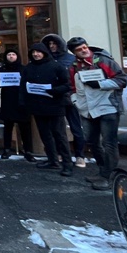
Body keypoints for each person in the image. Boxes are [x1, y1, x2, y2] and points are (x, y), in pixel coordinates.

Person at [68, 36, 127, 191]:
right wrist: (76, 101)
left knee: (109, 143)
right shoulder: (74, 66)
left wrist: (100, 84)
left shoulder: (103, 61)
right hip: (87, 110)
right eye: (79, 49)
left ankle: (109, 176)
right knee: (92, 141)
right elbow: (72, 87)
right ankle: (102, 170)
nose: (83, 51)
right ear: (74, 52)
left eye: (84, 47)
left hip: (108, 107)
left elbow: (121, 80)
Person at [21, 44, 74, 176]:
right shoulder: (29, 68)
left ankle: (67, 163)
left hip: (55, 105)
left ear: (44, 53)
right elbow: (23, 86)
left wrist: (55, 91)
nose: (35, 54)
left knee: (59, 135)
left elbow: (67, 85)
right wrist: (24, 103)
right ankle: (52, 160)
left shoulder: (57, 66)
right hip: (38, 106)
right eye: (33, 52)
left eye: (38, 52)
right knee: (45, 135)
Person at [42, 34, 89, 167]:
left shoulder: (71, 58)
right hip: (54, 98)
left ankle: (80, 155)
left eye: (54, 44)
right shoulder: (47, 60)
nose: (52, 46)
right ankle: (59, 153)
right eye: (49, 44)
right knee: (57, 129)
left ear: (60, 44)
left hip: (71, 97)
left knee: (76, 127)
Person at [0, 47, 34, 161]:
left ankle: (28, 151)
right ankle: (6, 149)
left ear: (17, 57)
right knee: (8, 127)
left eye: (13, 54)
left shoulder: (23, 69)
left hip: (21, 102)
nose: (11, 56)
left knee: (25, 128)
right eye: (9, 54)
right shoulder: (2, 69)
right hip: (7, 101)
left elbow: (29, 83)